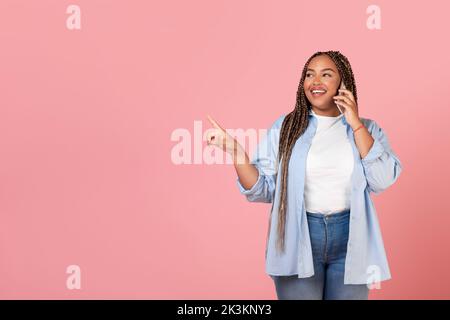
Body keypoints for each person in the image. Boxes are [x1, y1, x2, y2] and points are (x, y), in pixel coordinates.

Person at [206, 50, 402, 300]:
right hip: (298, 237)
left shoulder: (368, 128)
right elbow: (263, 190)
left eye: (326, 74)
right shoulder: (286, 128)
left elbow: (382, 179)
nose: (315, 81)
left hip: (351, 239)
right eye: (309, 75)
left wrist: (355, 123)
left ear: (343, 83)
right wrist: (236, 151)